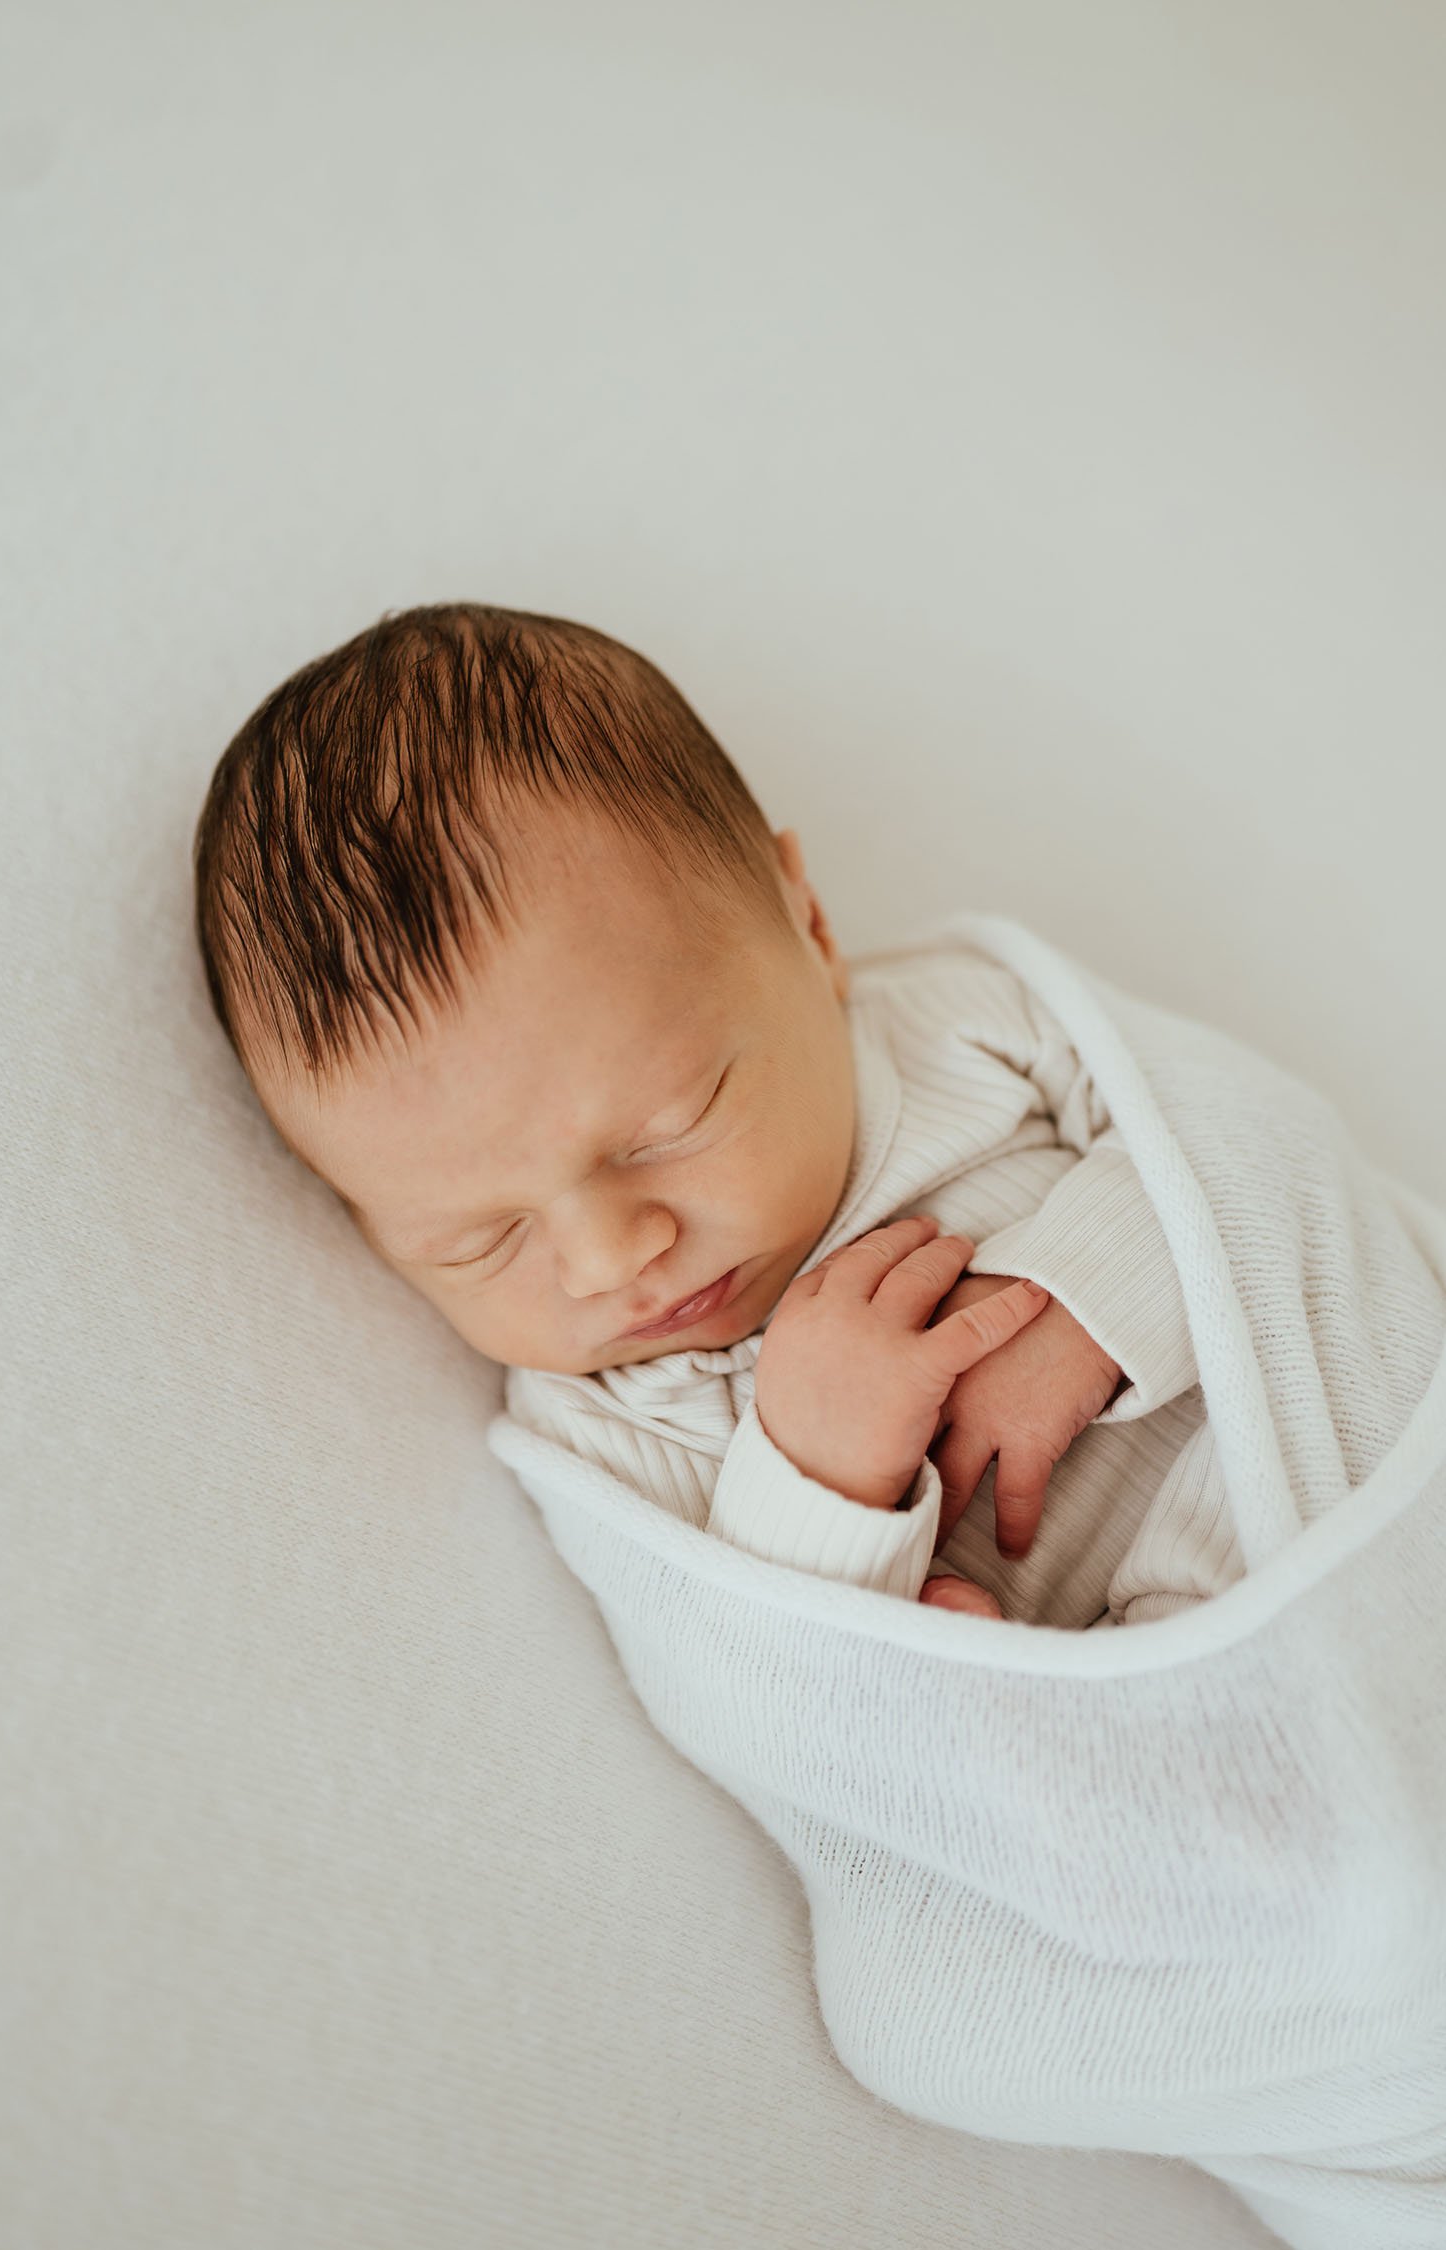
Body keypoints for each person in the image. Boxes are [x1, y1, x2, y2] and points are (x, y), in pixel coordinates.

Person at [192, 602, 1234, 1627]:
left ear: (809, 926)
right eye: (479, 1240)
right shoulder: (602, 1437)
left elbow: (1223, 1130)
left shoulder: (951, 1026)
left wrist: (1077, 1307)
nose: (611, 1261)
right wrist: (821, 1483)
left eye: (665, 1128)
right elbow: (744, 1678)